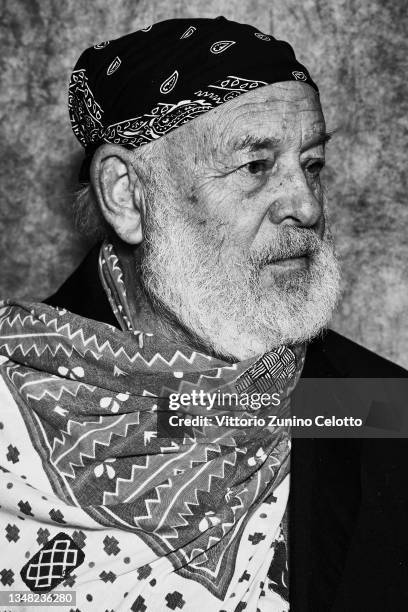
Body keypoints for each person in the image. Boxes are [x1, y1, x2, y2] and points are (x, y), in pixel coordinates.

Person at [0, 16, 406, 612]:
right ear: (126, 193)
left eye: (312, 164)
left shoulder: (377, 409)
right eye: (256, 166)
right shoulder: (11, 394)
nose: (304, 204)